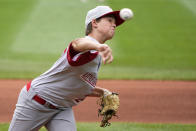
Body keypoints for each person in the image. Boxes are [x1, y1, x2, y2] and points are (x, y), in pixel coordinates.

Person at [9, 5, 125, 131]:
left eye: (115, 22)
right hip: (36, 103)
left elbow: (79, 85)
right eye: (109, 20)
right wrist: (98, 46)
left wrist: (102, 92)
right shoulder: (86, 46)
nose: (114, 25)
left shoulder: (96, 54)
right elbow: (76, 43)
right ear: (94, 22)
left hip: (62, 109)